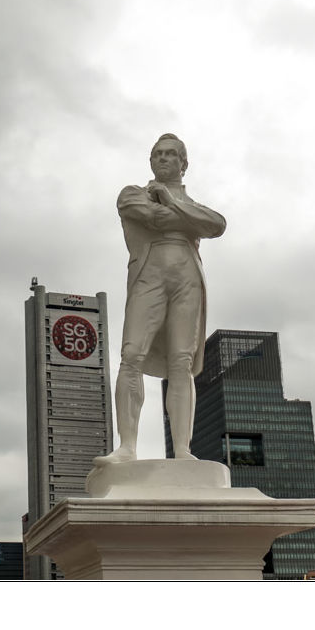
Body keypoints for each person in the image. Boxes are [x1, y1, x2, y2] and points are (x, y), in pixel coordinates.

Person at [95, 133, 226, 464]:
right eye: (157, 154)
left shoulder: (187, 204)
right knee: (131, 355)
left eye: (170, 154)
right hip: (148, 275)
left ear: (184, 163)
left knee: (182, 361)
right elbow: (156, 219)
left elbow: (217, 225)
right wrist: (182, 216)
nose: (163, 158)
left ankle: (183, 450)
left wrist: (170, 200)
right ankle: (127, 447)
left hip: (188, 278)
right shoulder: (132, 194)